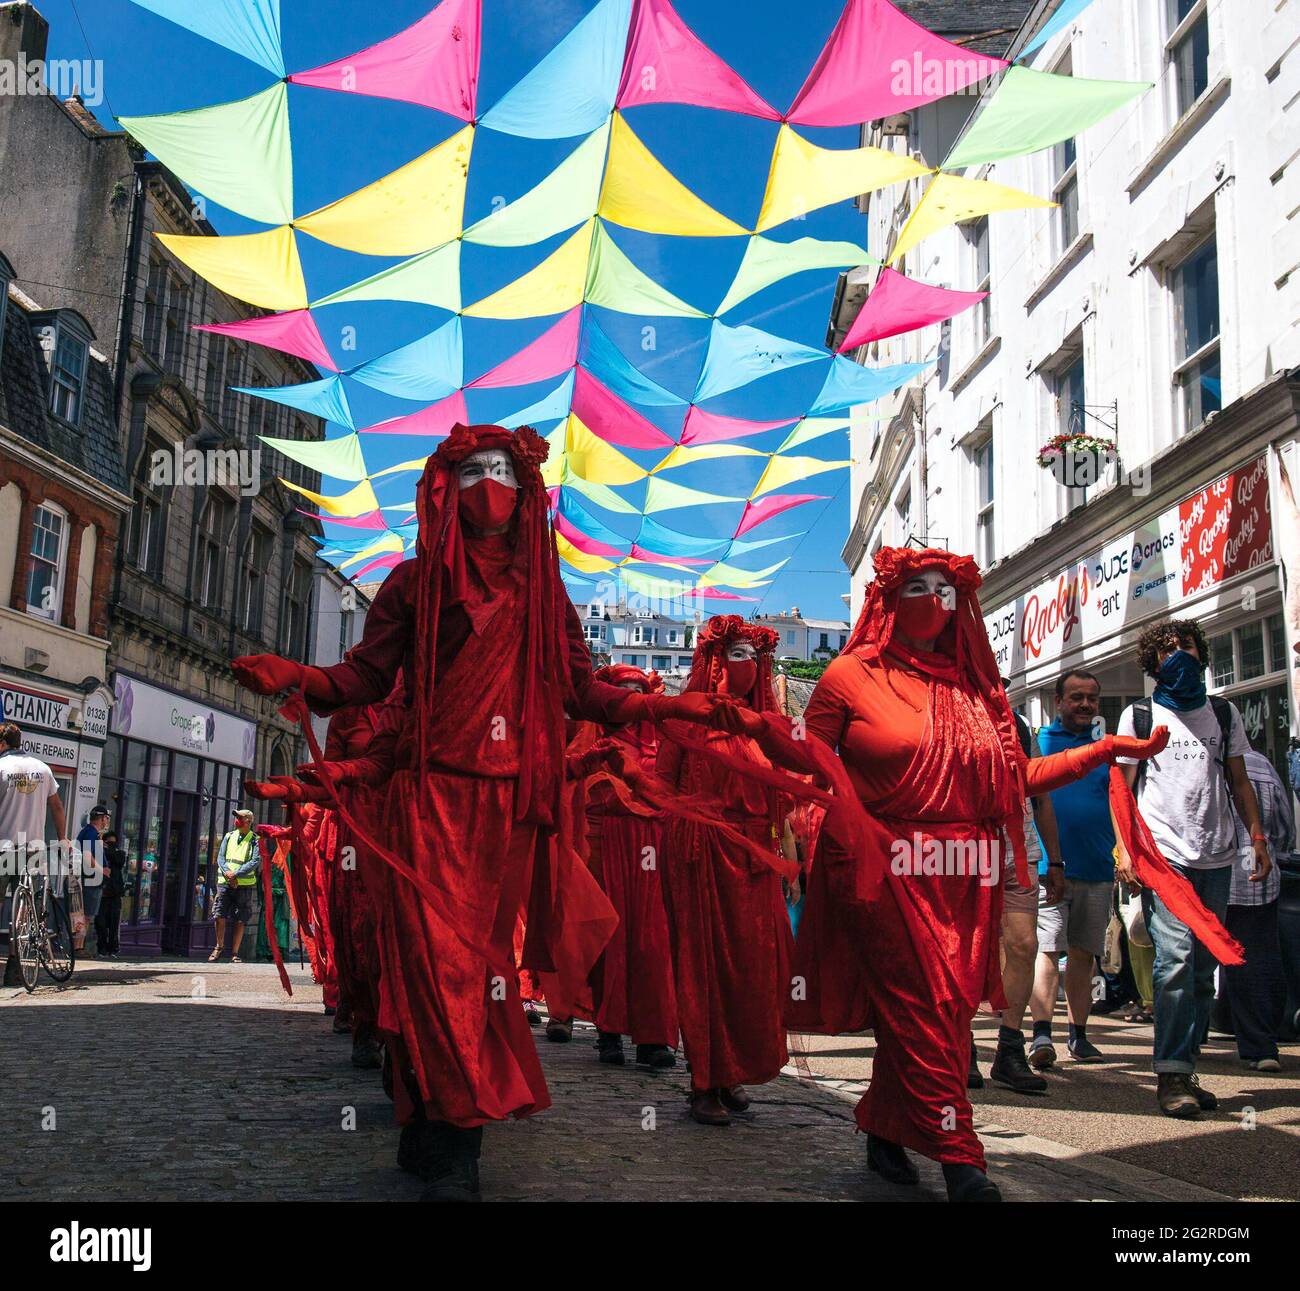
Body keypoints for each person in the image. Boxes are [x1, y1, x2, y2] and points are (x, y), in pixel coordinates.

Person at [231, 423, 732, 1201]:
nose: (488, 484)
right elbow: (365, 675)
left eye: (502, 470)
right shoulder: (412, 583)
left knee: (479, 971)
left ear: (525, 488)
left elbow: (581, 689)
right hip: (429, 799)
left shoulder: (544, 591)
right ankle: (448, 1131)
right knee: (435, 968)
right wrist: (301, 674)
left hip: (507, 809)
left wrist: (668, 710)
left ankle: (446, 1127)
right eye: (473, 471)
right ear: (447, 487)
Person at [791, 548, 1173, 1201]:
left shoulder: (979, 690)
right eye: (919, 586)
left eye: (946, 588)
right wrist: (841, 834)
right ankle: (962, 1156)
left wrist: (1103, 751)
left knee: (946, 1010)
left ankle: (886, 1124)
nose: (934, 599)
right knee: (925, 1004)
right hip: (885, 869)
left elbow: (1013, 782)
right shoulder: (849, 676)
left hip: (964, 876)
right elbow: (807, 768)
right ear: (890, 594)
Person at [656, 615, 849, 1126]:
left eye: (754, 656)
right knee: (706, 968)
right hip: (701, 853)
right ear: (715, 660)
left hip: (754, 859)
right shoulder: (685, 717)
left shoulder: (767, 723)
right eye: (737, 654)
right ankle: (703, 1080)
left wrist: (786, 857)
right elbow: (661, 788)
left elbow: (789, 787)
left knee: (751, 971)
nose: (749, 665)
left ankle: (733, 1071)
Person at [1115, 618, 1270, 1118]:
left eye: (1185, 645)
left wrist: (1258, 837)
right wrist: (1125, 849)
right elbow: (1120, 789)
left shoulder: (1223, 714)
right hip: (1165, 857)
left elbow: (1240, 781)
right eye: (1166, 649)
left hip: (1217, 855)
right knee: (1176, 960)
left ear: (1202, 653)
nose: (1177, 654)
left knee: (1205, 970)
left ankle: (1188, 1063)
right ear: (1152, 663)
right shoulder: (1139, 716)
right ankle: (1172, 1073)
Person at [579, 665, 678, 1073]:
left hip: (654, 849)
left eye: (639, 690)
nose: (632, 698)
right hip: (606, 844)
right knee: (610, 940)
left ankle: (653, 1037)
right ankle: (609, 1031)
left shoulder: (666, 744)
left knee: (653, 942)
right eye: (624, 691)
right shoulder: (593, 743)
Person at [1029, 670, 1120, 1067]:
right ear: (1059, 701)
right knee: (1048, 951)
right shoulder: (1040, 745)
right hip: (1050, 870)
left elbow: (1119, 807)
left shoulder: (1106, 753)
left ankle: (1079, 1036)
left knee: (1084, 954)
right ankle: (1041, 1036)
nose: (1085, 705)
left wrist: (1124, 856)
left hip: (1098, 868)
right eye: (1076, 697)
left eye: (1092, 698)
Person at [977, 708, 1061, 1096]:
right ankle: (960, 1046)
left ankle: (1009, 1049)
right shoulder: (956, 713)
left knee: (1025, 946)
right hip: (967, 853)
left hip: (1020, 850)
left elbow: (1041, 798)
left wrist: (1055, 861)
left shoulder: (1020, 723)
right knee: (968, 951)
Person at [1222, 747, 1290, 1071]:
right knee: (1261, 959)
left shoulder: (1210, 764)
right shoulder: (1263, 765)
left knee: (1204, 959)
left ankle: (1190, 1043)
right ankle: (1261, 1045)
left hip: (1217, 875)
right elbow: (1283, 824)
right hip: (1260, 875)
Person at [1, 722, 69, 985]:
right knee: (25, 901)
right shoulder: (42, 768)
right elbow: (57, 806)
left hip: (4, 845)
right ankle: (16, 960)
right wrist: (62, 838)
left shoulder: (1, 768)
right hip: (34, 847)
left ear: (3, 744)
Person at [210, 808, 260, 963]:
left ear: (248, 821)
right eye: (236, 817)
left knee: (240, 918)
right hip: (225, 882)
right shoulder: (229, 836)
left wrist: (236, 874)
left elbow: (255, 861)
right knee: (219, 915)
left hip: (243, 885)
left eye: (239, 817)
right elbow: (220, 857)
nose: (236, 820)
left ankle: (235, 953)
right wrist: (228, 874)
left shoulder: (255, 839)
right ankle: (219, 946)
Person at [74, 806, 110, 956]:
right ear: (102, 818)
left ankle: (78, 946)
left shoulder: (92, 833)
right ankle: (77, 947)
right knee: (85, 916)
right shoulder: (90, 833)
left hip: (89, 879)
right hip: (90, 880)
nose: (107, 821)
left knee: (84, 915)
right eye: (106, 818)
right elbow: (87, 857)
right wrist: (103, 870)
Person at [95, 829, 126, 959]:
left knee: (113, 924)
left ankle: (113, 949)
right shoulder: (99, 853)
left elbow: (118, 861)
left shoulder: (120, 853)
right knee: (101, 923)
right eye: (109, 842)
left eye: (113, 843)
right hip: (102, 893)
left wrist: (107, 849)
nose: (111, 845)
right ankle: (102, 948)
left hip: (114, 894)